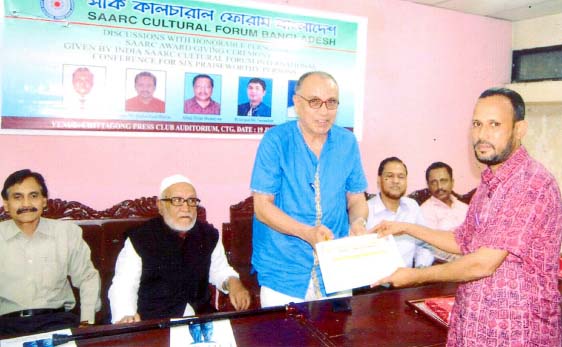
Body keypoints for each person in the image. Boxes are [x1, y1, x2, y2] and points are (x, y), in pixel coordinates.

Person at [373, 88, 562, 346]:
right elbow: (464, 240)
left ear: (520, 129)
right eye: (477, 124)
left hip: (518, 333)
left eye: (494, 124)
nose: (482, 135)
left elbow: (482, 263)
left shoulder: (532, 184)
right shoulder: (489, 181)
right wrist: (406, 227)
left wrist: (413, 276)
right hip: (474, 326)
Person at [250, 71, 369, 307]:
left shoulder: (347, 142)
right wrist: (307, 233)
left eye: (331, 103)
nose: (324, 111)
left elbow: (356, 198)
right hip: (284, 269)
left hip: (336, 269)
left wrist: (358, 223)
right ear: (296, 103)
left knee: (335, 339)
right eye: (315, 102)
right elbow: (262, 207)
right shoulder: (276, 140)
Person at [108, 174, 250, 323]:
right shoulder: (140, 238)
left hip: (200, 318)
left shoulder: (208, 235)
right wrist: (126, 316)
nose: (186, 208)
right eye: (177, 200)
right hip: (156, 322)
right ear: (161, 205)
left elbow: (219, 270)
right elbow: (124, 285)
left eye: (192, 201)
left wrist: (234, 283)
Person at [0, 169, 100, 335]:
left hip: (57, 322)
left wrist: (86, 323)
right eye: (17, 197)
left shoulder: (66, 233)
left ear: (44, 200)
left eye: (33, 196)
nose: (26, 204)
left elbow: (87, 277)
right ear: (6, 203)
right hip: (7, 325)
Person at [366, 157, 434, 268]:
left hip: (409, 281)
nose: (396, 181)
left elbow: (425, 243)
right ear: (379, 180)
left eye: (401, 177)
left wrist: (420, 269)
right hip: (375, 282)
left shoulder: (412, 206)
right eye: (390, 176)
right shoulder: (366, 210)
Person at [420, 162, 468, 262]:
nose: (439, 187)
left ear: (452, 182)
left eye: (443, 181)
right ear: (428, 185)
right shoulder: (425, 211)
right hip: (452, 264)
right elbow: (431, 248)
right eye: (434, 182)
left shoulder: (465, 208)